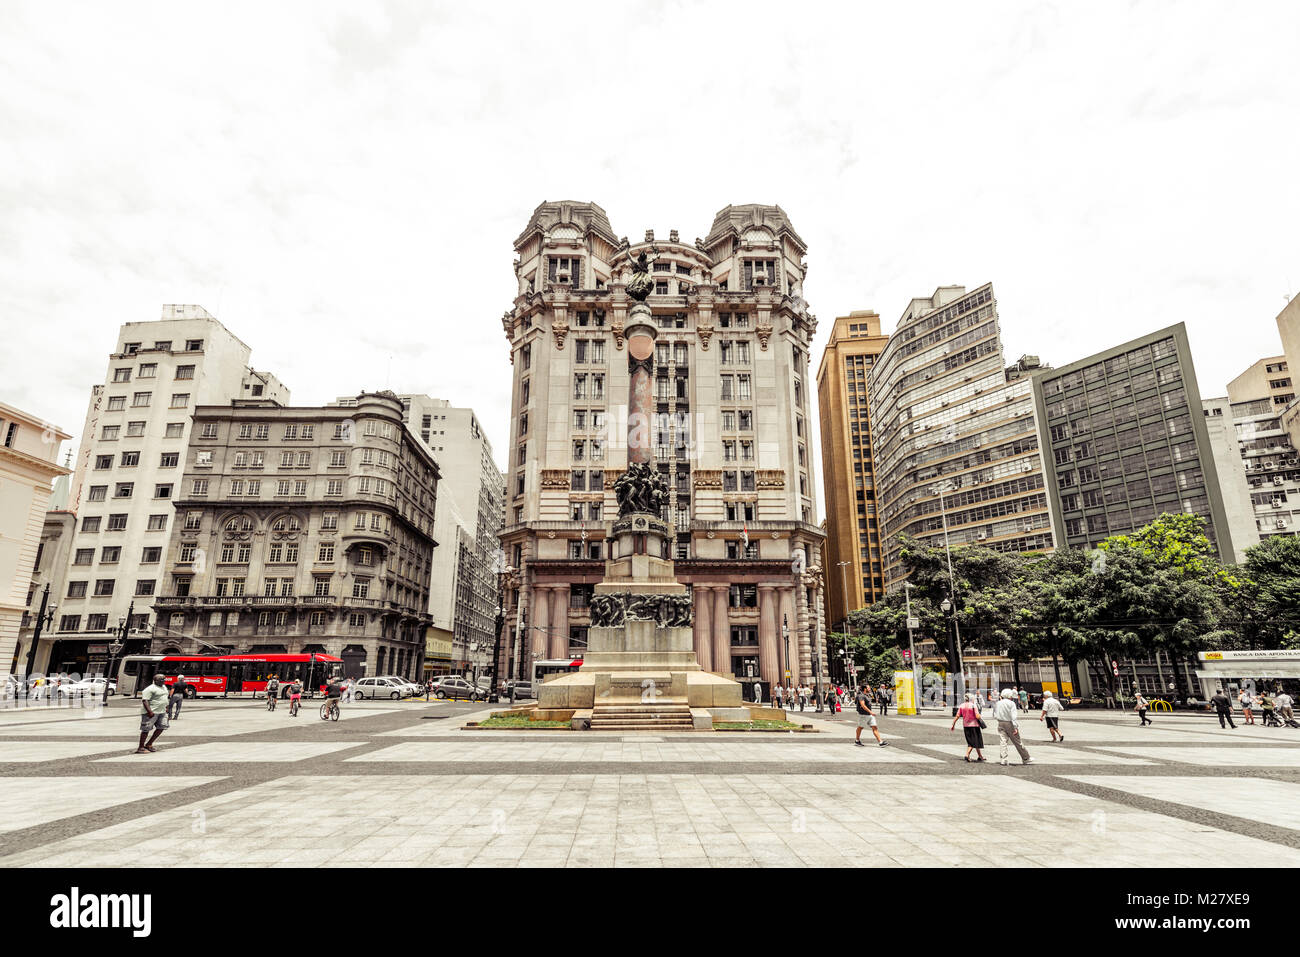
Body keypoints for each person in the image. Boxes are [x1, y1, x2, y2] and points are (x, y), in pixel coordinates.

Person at [994, 688, 1032, 766]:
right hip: (1009, 723)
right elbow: (1013, 716)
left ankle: (1004, 759)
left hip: (1000, 723)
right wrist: (1015, 726)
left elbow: (995, 713)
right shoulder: (1011, 703)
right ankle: (1026, 758)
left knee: (1003, 741)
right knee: (1017, 741)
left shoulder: (998, 703)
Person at [137, 674, 170, 754]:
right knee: (146, 729)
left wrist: (166, 707)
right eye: (161, 680)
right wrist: (150, 711)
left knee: (162, 727)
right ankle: (141, 747)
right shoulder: (149, 689)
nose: (163, 681)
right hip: (152, 712)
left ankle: (149, 744)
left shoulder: (164, 687)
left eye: (164, 679)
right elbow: (145, 700)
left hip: (162, 711)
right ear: (155, 681)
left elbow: (165, 698)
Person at [951, 693, 986, 762]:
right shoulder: (973, 705)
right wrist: (980, 717)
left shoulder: (962, 705)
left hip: (966, 726)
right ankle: (967, 755)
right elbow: (977, 716)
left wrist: (953, 724)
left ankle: (980, 756)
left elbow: (957, 716)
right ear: (971, 699)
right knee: (973, 742)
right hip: (974, 726)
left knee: (974, 741)